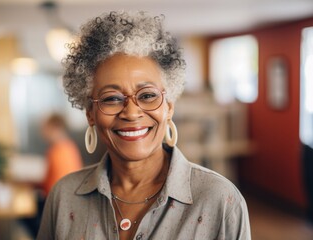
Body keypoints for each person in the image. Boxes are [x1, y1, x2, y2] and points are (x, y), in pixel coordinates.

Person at [37, 11, 251, 240]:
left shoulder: (220, 200)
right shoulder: (64, 197)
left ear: (169, 107)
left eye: (147, 95)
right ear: (90, 114)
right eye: (111, 98)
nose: (131, 112)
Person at [40, 113, 83, 196]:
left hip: (59, 198)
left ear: (55, 128)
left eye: (45, 129)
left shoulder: (57, 151)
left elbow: (54, 184)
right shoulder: (70, 147)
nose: (43, 133)